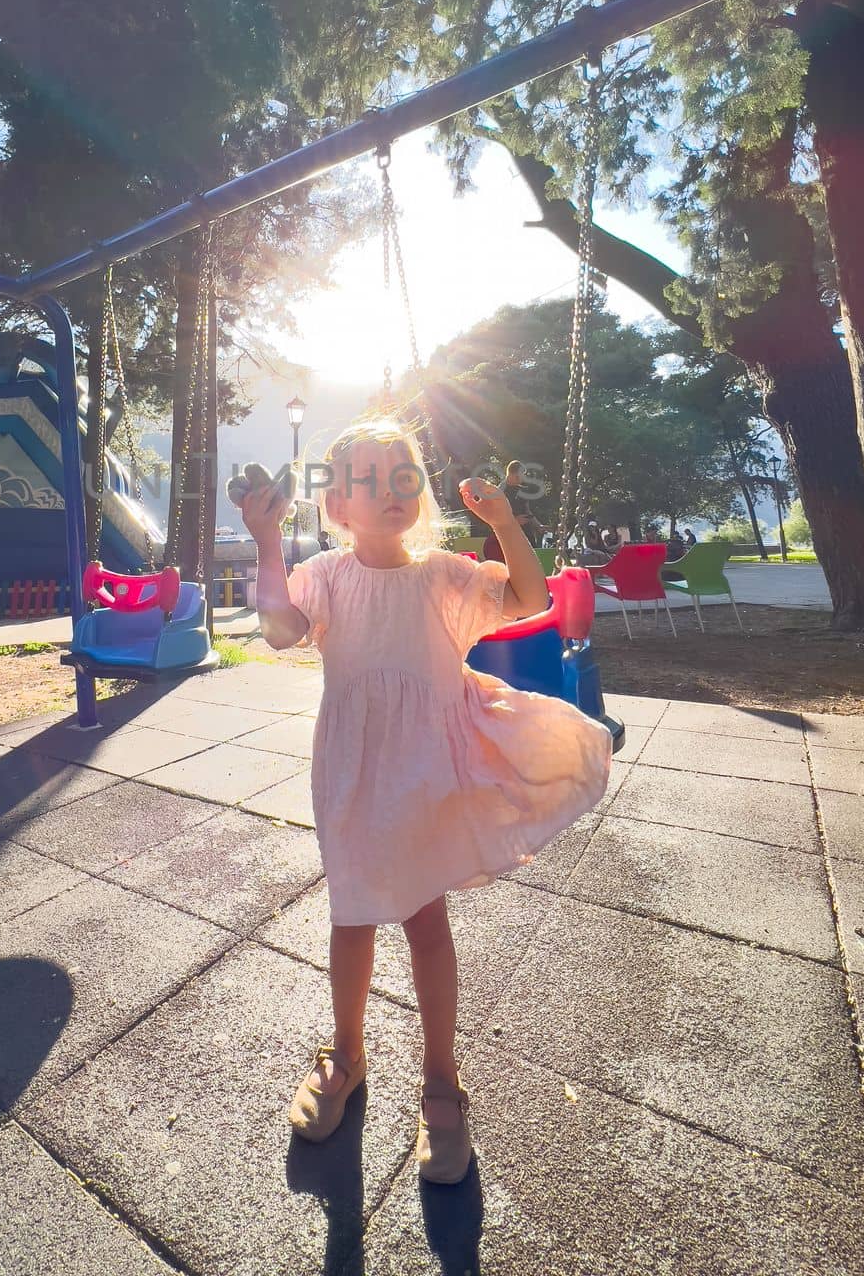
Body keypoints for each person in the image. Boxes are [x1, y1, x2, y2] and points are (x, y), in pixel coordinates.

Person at [238, 416, 610, 1184]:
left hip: (424, 772)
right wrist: (268, 543)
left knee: (424, 918)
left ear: (421, 493)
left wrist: (505, 523)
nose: (388, 492)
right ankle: (347, 1056)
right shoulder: (329, 578)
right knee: (350, 914)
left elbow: (531, 596)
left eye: (402, 476)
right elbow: (278, 630)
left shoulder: (444, 574)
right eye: (367, 480)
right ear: (337, 507)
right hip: (351, 770)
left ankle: (442, 1080)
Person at [482, 458, 543, 559]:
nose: (523, 478)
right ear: (513, 474)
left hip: (525, 533)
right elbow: (495, 515)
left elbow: (527, 510)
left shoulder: (522, 490)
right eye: (522, 474)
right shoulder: (499, 491)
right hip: (508, 535)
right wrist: (514, 521)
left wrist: (538, 526)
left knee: (532, 558)